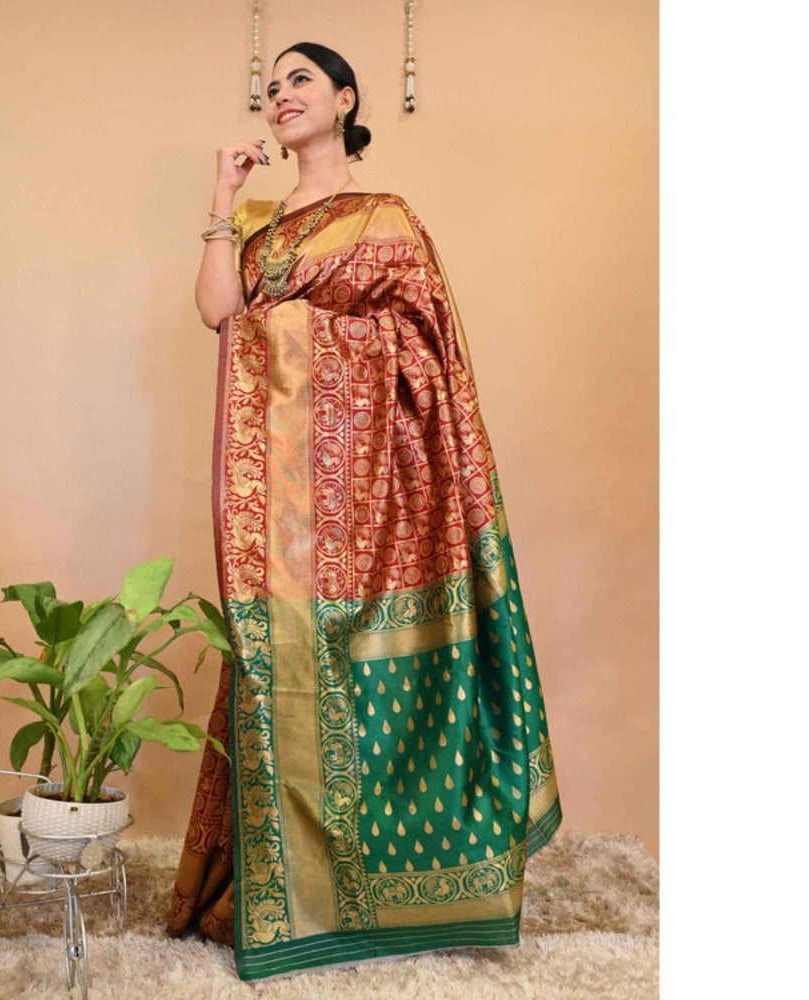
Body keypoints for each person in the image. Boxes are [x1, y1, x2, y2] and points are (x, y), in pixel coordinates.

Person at [166, 41, 562, 982]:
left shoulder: (387, 217)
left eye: (301, 80)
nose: (282, 95)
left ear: (345, 100)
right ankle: (292, 895)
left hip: (381, 490)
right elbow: (220, 311)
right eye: (272, 87)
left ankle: (407, 891)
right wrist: (223, 199)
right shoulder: (260, 228)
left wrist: (301, 334)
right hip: (287, 505)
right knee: (280, 670)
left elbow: (426, 345)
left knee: (380, 678)